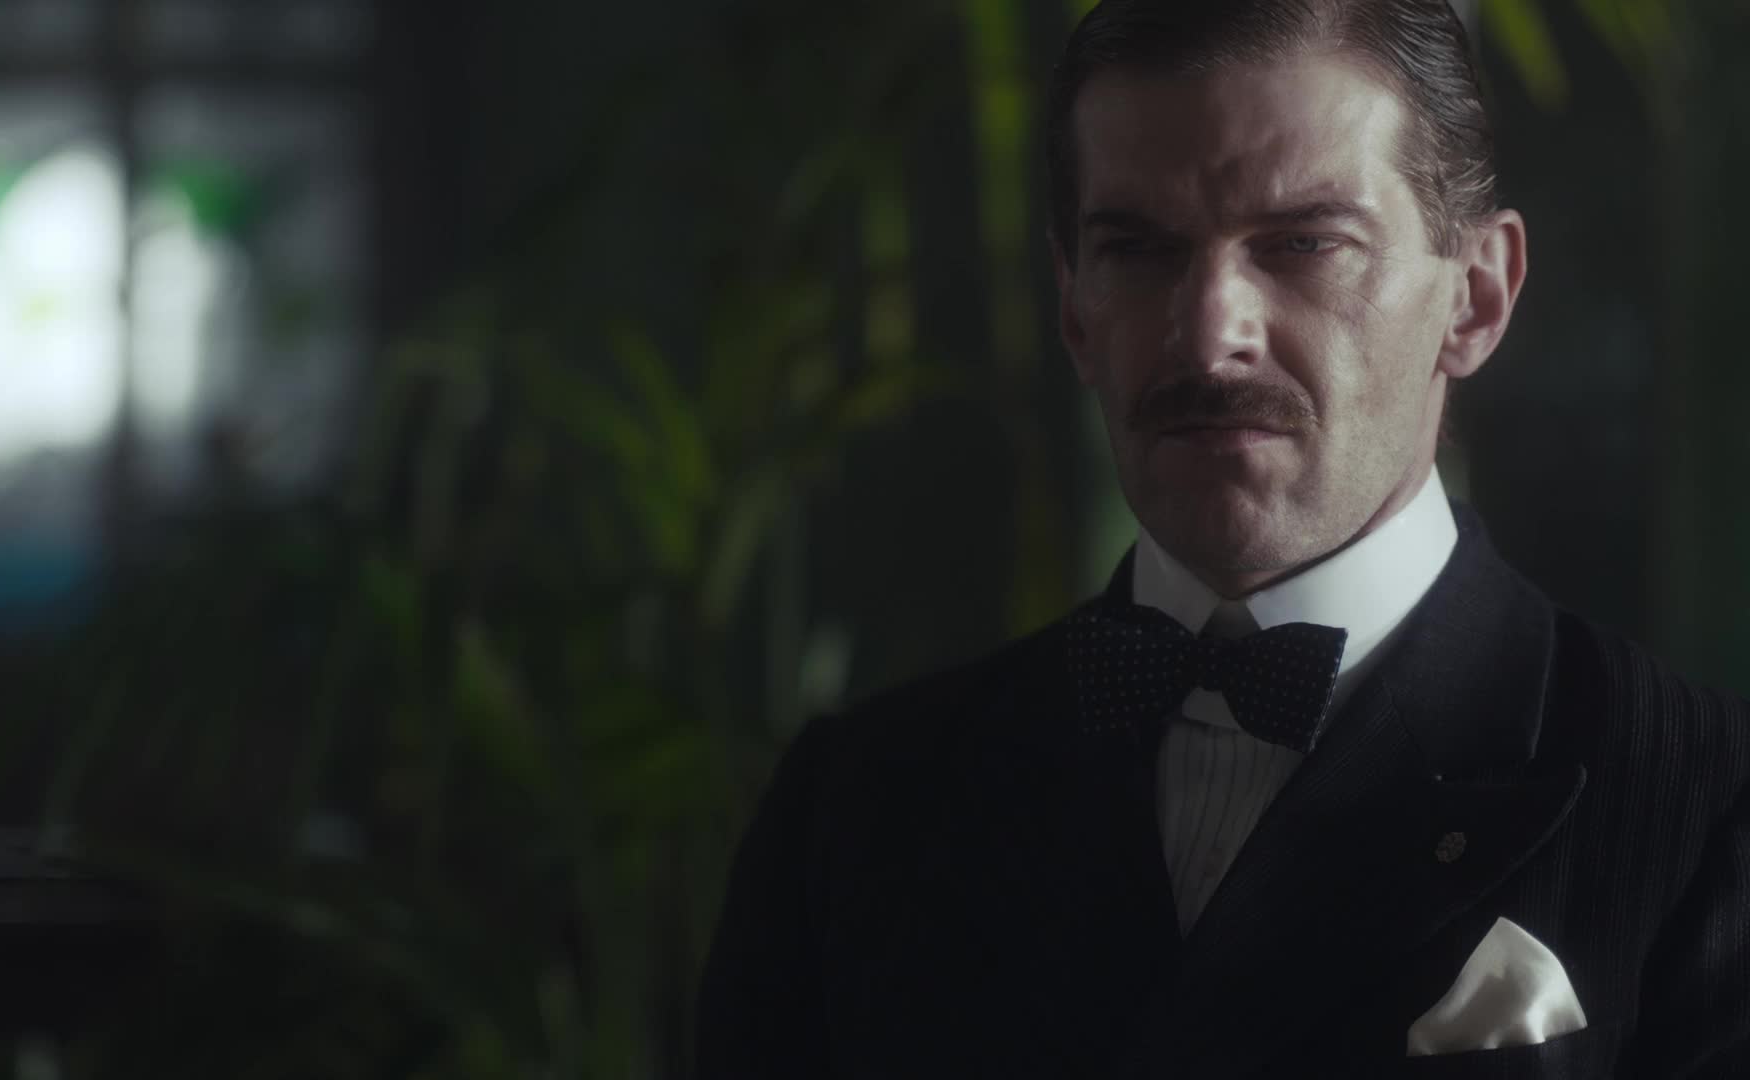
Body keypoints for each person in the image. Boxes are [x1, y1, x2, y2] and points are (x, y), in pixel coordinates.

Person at [694, 0, 1750, 1075]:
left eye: (1303, 244)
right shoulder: (855, 811)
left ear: (1474, 299)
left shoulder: (1708, 812)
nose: (1209, 336)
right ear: (1075, 312)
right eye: (1138, 251)